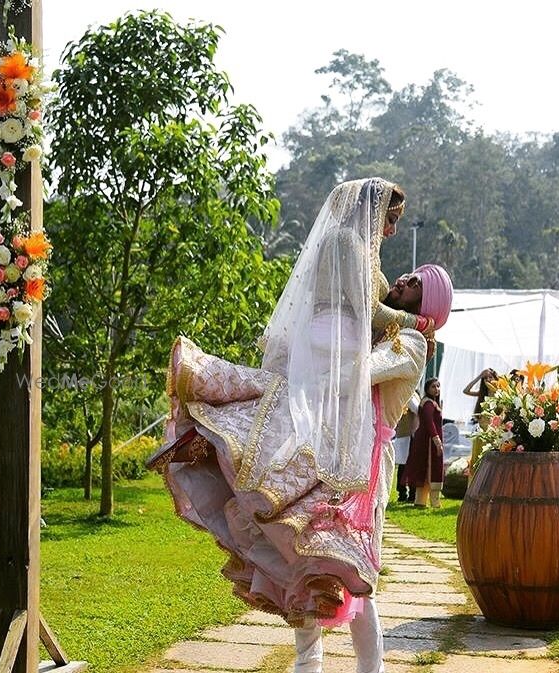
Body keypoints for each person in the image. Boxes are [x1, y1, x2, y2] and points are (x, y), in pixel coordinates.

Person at [151, 177, 453, 672]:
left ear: (427, 308)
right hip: (327, 444)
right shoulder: (364, 286)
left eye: (413, 286)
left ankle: (365, 669)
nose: (400, 278)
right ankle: (308, 665)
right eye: (389, 223)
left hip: (359, 462)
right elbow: (357, 305)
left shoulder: (409, 342)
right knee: (305, 558)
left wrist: (314, 374)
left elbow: (357, 372)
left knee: (351, 567)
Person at [401, 377, 444, 508]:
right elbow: (429, 423)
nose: (436, 389)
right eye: (433, 387)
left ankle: (420, 501)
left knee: (425, 469)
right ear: (427, 389)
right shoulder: (428, 404)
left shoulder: (431, 402)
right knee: (433, 467)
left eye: (438, 386)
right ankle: (435, 502)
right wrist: (437, 441)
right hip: (429, 441)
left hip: (427, 439)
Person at [462, 368, 498, 473]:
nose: (488, 380)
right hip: (481, 433)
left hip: (493, 434)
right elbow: (466, 390)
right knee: (478, 461)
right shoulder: (482, 394)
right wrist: (479, 377)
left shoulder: (499, 394)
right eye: (485, 378)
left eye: (490, 377)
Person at [393, 393, 419, 503]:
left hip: (406, 433)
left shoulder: (412, 394)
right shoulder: (409, 394)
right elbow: (418, 409)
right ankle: (405, 492)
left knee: (405, 465)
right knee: (406, 465)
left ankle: (406, 492)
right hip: (407, 433)